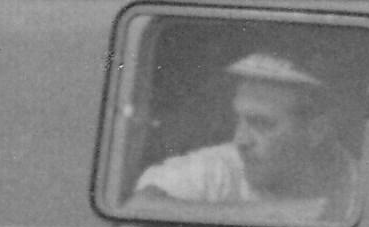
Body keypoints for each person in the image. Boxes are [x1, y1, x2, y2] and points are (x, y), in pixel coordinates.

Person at [138, 53, 354, 210]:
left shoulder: (363, 185)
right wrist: (291, 214)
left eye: (261, 123)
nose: (240, 140)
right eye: (238, 119)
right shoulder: (218, 169)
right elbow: (136, 226)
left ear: (316, 131)